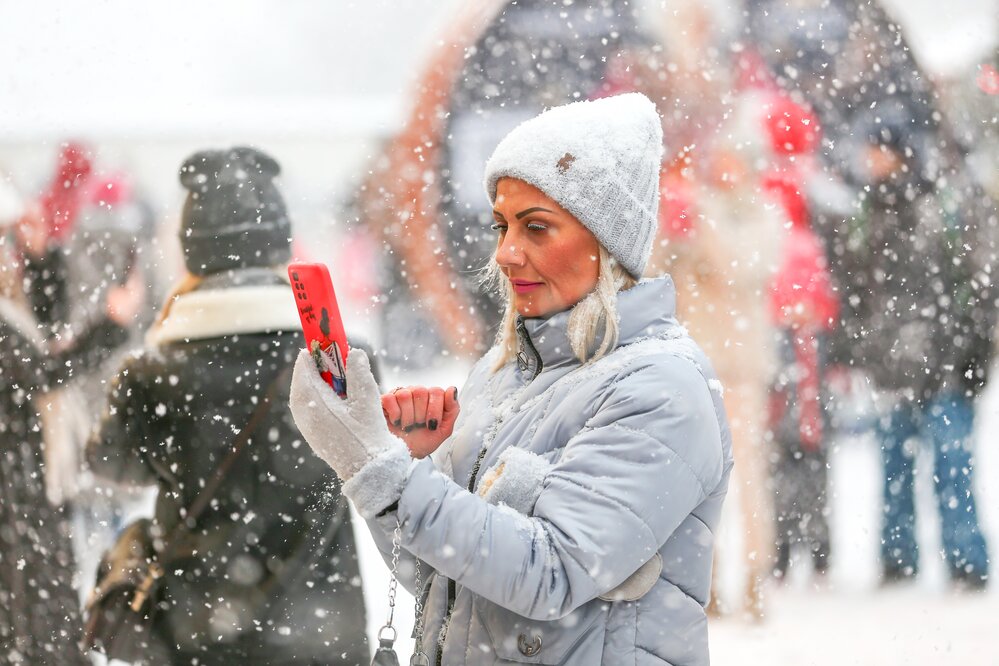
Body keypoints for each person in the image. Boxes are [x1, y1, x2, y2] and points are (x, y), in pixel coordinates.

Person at [291, 94, 733, 665]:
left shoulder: (661, 387)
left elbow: (550, 573)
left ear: (609, 242)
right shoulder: (502, 374)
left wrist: (383, 472)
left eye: (537, 228)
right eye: (502, 226)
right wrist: (410, 468)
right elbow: (438, 574)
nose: (506, 253)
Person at [87, 147, 370, 665]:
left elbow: (109, 463)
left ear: (191, 252)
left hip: (195, 631)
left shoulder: (150, 374)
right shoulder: (340, 363)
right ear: (280, 244)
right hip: (323, 628)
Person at [831, 103, 995, 590]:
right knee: (895, 469)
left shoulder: (944, 207)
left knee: (952, 468)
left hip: (947, 361)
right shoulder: (864, 212)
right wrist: (856, 349)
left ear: (897, 152)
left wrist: (975, 351)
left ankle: (967, 562)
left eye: (875, 149)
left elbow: (982, 284)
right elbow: (854, 292)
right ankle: (898, 559)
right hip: (892, 366)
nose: (868, 160)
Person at [0, 177, 139, 665]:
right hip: (14, 483)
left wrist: (40, 258)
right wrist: (111, 328)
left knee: (42, 590)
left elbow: (46, 327)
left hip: (28, 476)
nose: (8, 253)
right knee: (30, 597)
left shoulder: (10, 301)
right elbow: (37, 372)